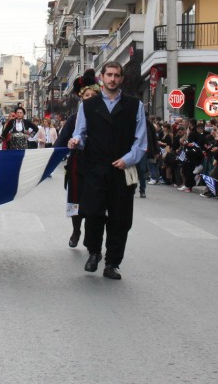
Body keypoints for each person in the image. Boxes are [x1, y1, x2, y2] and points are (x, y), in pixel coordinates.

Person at [67, 61, 148, 281]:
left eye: (116, 75)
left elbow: (141, 142)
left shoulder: (134, 105)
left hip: (122, 170)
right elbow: (80, 134)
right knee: (92, 212)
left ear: (121, 79)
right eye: (109, 75)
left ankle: (113, 263)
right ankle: (94, 252)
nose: (112, 79)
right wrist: (75, 141)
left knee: (120, 219)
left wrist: (127, 159)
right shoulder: (88, 105)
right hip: (95, 168)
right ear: (102, 77)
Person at [55, 69, 98, 248]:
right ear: (82, 98)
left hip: (96, 163)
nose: (89, 97)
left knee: (94, 203)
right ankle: (76, 230)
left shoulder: (103, 116)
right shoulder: (74, 118)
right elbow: (60, 142)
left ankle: (91, 237)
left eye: (93, 95)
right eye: (86, 95)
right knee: (75, 200)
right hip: (77, 163)